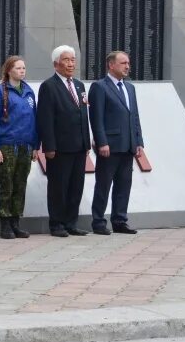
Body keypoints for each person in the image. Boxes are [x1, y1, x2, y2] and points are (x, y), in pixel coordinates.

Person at [37, 45, 91, 238]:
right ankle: (57, 223)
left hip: (79, 146)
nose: (71, 64)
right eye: (67, 60)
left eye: (73, 60)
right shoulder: (49, 86)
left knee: (76, 186)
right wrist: (49, 146)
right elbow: (46, 118)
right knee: (58, 187)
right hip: (59, 148)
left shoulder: (79, 85)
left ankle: (71, 222)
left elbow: (83, 114)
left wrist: (87, 141)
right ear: (56, 64)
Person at [88, 51, 144, 235]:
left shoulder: (130, 88)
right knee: (103, 184)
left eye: (128, 63)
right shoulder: (99, 87)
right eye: (123, 63)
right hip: (109, 146)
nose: (127, 66)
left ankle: (120, 220)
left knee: (123, 185)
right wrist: (102, 142)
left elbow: (134, 116)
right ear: (111, 65)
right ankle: (98, 222)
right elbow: (97, 118)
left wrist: (138, 141)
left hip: (128, 145)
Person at [0, 56, 39, 240]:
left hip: (25, 145)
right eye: (18, 68)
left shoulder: (29, 91)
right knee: (6, 185)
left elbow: (34, 120)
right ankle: (5, 223)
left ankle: (16, 221)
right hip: (7, 145)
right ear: (9, 70)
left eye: (24, 68)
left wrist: (35, 145)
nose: (22, 71)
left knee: (20, 185)